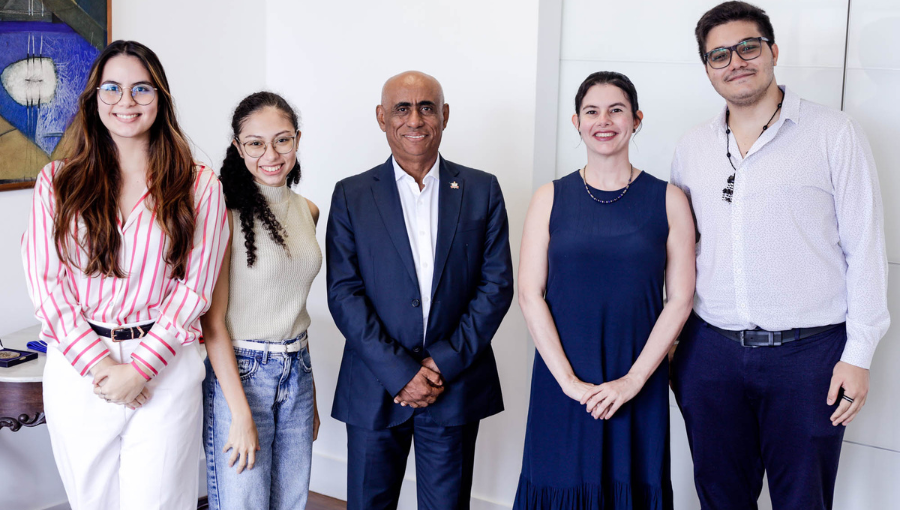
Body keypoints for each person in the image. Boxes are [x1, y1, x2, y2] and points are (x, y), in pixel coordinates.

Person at [669, 2, 890, 509]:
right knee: (720, 497)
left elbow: (866, 247)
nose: (735, 61)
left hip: (809, 357)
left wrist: (858, 355)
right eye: (719, 54)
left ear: (772, 51)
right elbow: (681, 251)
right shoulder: (691, 148)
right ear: (707, 68)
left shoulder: (834, 133)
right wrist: (678, 341)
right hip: (711, 354)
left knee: (803, 500)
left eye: (748, 46)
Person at [21, 40, 228, 509]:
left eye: (141, 89)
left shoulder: (200, 186)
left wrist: (139, 369)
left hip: (166, 367)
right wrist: (103, 366)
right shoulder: (56, 183)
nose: (126, 102)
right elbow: (48, 288)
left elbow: (194, 289)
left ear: (162, 98)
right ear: (95, 97)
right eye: (112, 88)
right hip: (79, 370)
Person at [325, 71, 513, 510]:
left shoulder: (481, 189)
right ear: (381, 117)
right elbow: (344, 293)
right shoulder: (351, 194)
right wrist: (401, 373)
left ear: (444, 116)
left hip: (454, 383)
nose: (415, 119)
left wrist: (440, 364)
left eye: (427, 107)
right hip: (375, 384)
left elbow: (496, 286)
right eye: (401, 108)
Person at [513, 71, 695, 509]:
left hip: (638, 375)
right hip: (562, 377)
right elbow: (529, 293)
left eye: (617, 109)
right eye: (592, 111)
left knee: (628, 487)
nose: (604, 120)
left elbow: (682, 298)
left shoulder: (669, 199)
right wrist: (570, 383)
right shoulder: (549, 197)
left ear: (636, 119)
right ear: (576, 122)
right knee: (559, 485)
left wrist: (632, 381)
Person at [200, 91, 322, 510]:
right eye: (255, 143)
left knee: (291, 502)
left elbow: (294, 311)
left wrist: (310, 396)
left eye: (282, 140)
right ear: (238, 147)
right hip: (242, 372)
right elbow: (212, 324)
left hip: (298, 371)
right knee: (243, 503)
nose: (270, 153)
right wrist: (238, 413)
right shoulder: (223, 215)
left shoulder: (309, 210)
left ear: (297, 140)